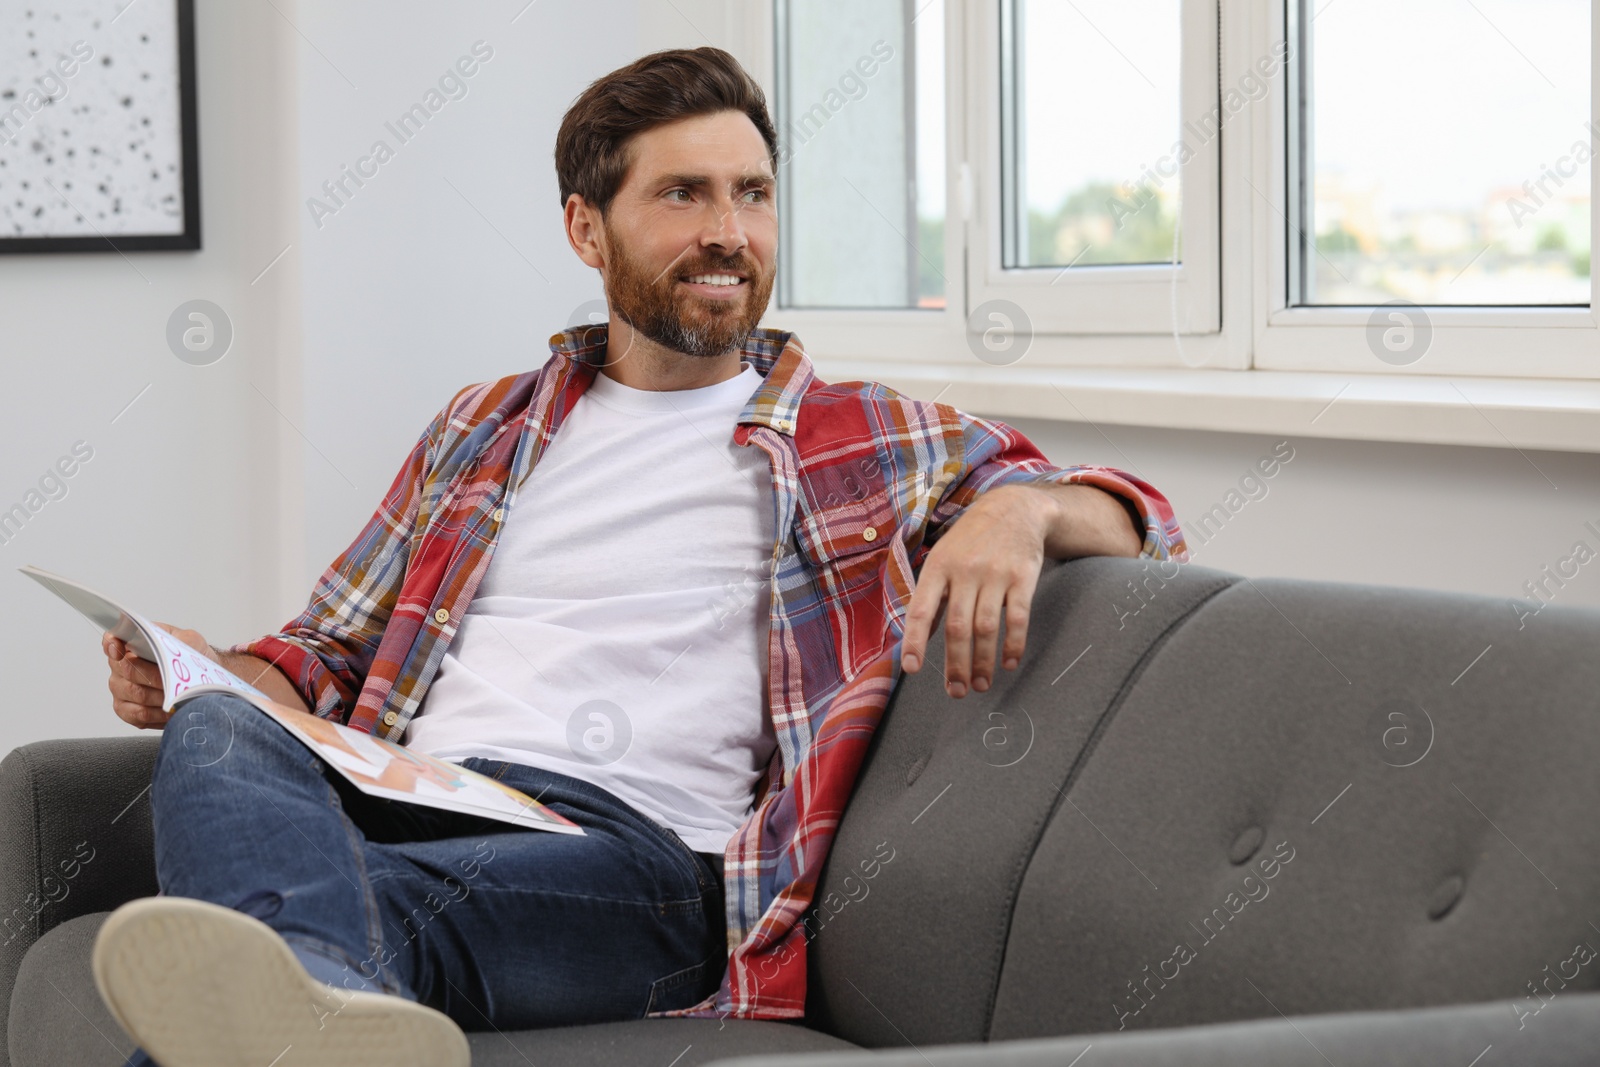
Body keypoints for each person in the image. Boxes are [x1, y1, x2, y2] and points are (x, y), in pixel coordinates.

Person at [94, 46, 1186, 1067]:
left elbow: (1149, 520)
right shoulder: (484, 426)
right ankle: (323, 990)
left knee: (265, 951)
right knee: (224, 730)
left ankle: (308, 970)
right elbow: (321, 650)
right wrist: (199, 673)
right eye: (684, 194)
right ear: (586, 226)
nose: (730, 232)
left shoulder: (860, 436)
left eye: (751, 194)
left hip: (637, 862)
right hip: (404, 796)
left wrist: (1022, 512)